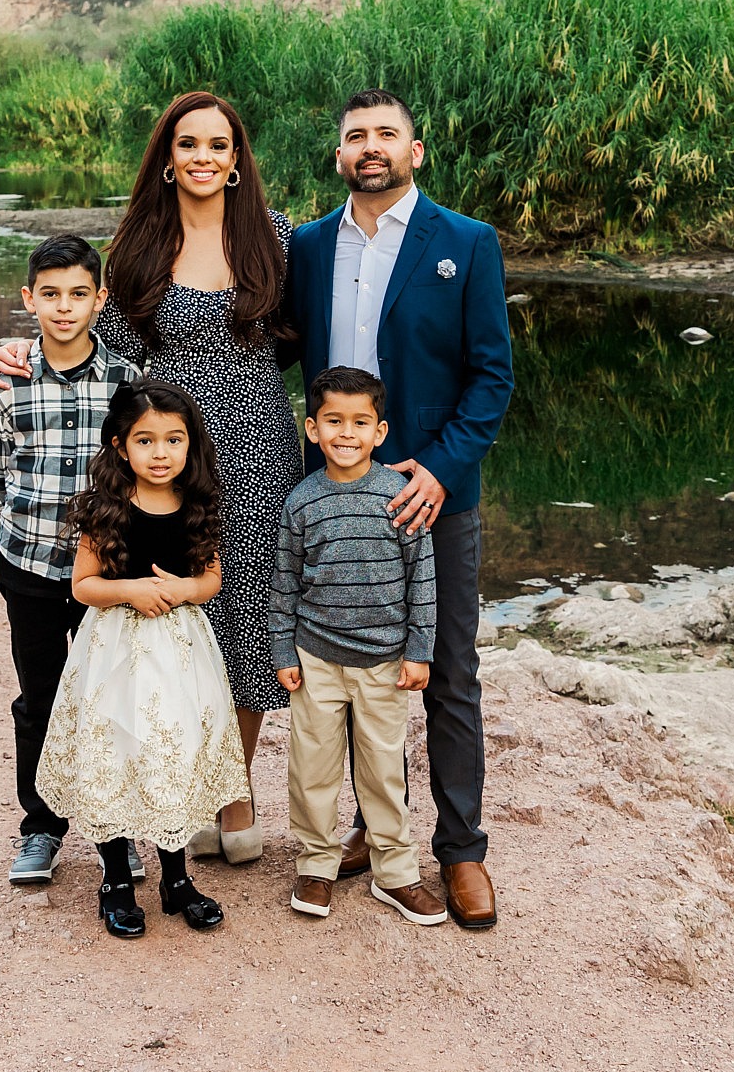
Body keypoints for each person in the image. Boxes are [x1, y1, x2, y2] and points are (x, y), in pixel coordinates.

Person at [0, 90, 301, 863]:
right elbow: (92, 339)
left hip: (261, 441)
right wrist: (20, 350)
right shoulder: (136, 245)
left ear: (236, 161)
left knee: (247, 611)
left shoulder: (278, 239)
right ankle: (178, 780)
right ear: (167, 156)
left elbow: (310, 335)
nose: (203, 156)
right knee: (179, 612)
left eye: (218, 145)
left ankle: (235, 790)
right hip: (170, 449)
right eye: (188, 143)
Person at [283, 88, 514, 931]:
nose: (370, 146)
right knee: (346, 670)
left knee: (447, 672)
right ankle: (372, 832)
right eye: (355, 136)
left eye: (387, 134)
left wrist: (443, 471)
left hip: (429, 499)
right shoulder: (306, 247)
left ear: (417, 149)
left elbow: (493, 377)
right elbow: (239, 334)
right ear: (339, 154)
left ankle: (462, 852)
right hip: (333, 500)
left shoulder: (467, 243)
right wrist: (58, 344)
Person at [34, 378, 247, 939]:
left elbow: (211, 580)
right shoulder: (108, 510)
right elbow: (82, 587)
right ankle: (117, 881)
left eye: (173, 440)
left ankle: (177, 880)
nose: (160, 453)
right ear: (119, 445)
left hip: (179, 649)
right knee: (115, 749)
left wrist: (180, 590)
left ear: (189, 444)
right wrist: (129, 589)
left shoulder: (197, 503)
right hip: (114, 651)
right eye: (146, 440)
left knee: (171, 750)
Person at [0, 234, 138, 888]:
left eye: (78, 293)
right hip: (31, 568)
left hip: (107, 574)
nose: (64, 307)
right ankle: (41, 827)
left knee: (110, 700)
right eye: (50, 294)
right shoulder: (9, 378)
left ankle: (116, 834)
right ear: (29, 298)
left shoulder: (128, 378)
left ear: (100, 298)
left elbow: (144, 465)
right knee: (39, 699)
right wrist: (22, 521)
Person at [271, 365, 445, 926]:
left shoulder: (399, 497)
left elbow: (422, 577)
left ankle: (395, 873)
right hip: (316, 657)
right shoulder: (301, 501)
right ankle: (317, 864)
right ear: (312, 429)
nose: (346, 433)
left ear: (381, 430)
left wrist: (420, 650)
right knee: (313, 767)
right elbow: (285, 582)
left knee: (382, 771)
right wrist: (283, 652)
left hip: (384, 663)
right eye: (333, 422)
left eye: (359, 422)